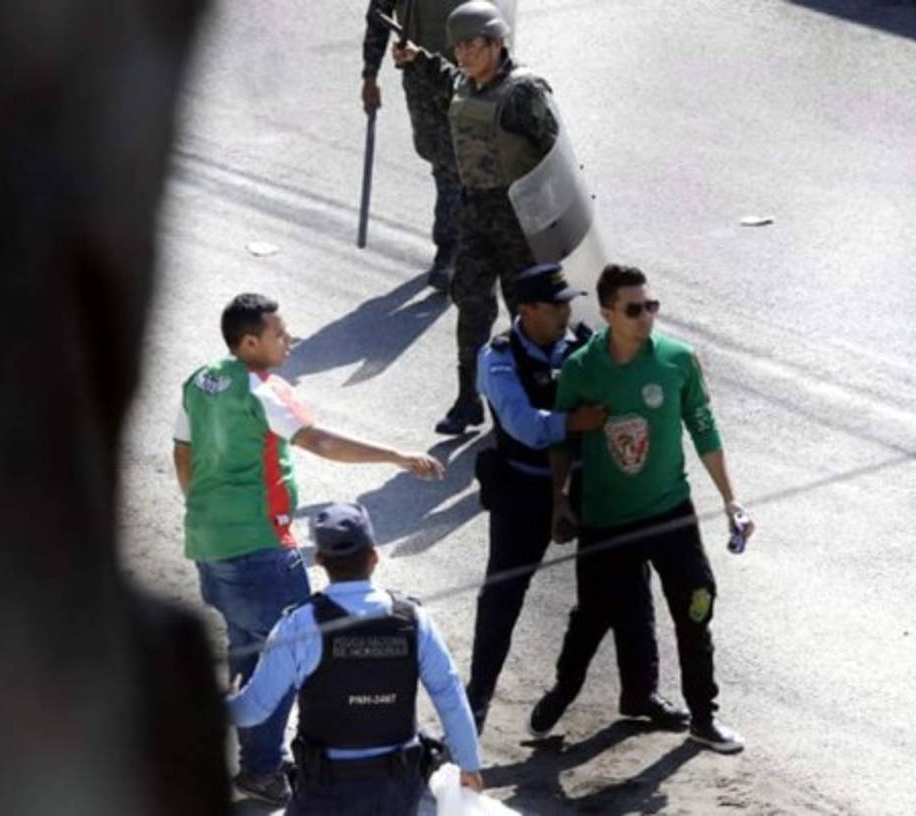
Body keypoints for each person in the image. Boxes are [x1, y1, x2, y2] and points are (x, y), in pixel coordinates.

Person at [173, 293, 445, 804]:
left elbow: (182, 453)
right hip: (261, 548)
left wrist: (210, 513)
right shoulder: (267, 388)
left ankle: (254, 759)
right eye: (280, 333)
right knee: (289, 659)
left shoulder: (201, 380)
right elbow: (319, 442)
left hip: (209, 543)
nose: (290, 340)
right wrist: (396, 456)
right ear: (250, 341)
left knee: (250, 648)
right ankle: (258, 763)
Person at [533, 264, 757, 753]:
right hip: (608, 519)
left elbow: (704, 430)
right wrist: (560, 499)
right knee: (594, 614)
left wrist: (730, 500)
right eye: (633, 309)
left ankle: (703, 717)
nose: (645, 316)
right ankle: (565, 690)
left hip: (670, 511)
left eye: (651, 305)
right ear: (608, 313)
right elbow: (564, 439)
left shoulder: (678, 360)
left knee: (696, 607)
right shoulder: (581, 368)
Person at [465, 263, 689, 734]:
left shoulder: (583, 345)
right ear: (526, 310)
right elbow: (524, 426)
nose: (568, 310)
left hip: (592, 487)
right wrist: (573, 422)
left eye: (569, 301)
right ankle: (476, 701)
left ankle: (640, 691)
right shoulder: (500, 357)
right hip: (524, 490)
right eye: (557, 304)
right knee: (504, 595)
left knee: (625, 586)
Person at [228, 502, 483, 815]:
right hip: (397, 790)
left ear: (319, 560)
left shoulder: (298, 625)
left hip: (324, 791)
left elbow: (253, 711)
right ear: (374, 556)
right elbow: (450, 695)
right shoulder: (414, 620)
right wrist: (469, 765)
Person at [392, 0, 562, 435]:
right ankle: (468, 400)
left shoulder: (524, 92)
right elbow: (450, 80)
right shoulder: (467, 84)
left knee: (525, 315)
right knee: (470, 307)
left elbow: (555, 157)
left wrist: (551, 226)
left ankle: (527, 403)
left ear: (497, 44)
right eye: (458, 47)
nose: (463, 54)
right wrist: (420, 58)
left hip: (518, 223)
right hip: (475, 219)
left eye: (472, 45)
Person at [361, 0, 464, 289]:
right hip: (419, 77)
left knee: (450, 166)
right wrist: (370, 76)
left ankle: (449, 251)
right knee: (436, 155)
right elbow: (378, 19)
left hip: (464, 75)